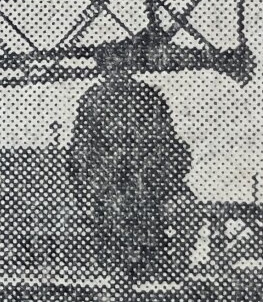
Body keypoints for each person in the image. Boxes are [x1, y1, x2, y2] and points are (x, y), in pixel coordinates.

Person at [65, 46, 196, 280]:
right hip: (112, 187)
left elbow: (170, 144)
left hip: (149, 186)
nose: (118, 71)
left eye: (122, 64)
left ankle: (173, 270)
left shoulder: (149, 97)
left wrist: (156, 173)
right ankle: (130, 268)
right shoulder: (93, 101)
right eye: (112, 65)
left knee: (183, 209)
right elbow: (81, 153)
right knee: (119, 220)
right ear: (103, 68)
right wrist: (96, 184)